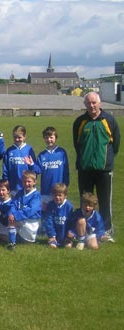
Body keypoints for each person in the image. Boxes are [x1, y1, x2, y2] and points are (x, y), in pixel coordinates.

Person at [73, 92, 120, 242]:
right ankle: (86, 229)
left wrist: (106, 160)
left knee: (105, 201)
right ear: (85, 105)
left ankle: (106, 232)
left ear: (100, 103)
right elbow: (77, 144)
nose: (91, 106)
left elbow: (116, 144)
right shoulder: (80, 122)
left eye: (94, 103)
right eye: (88, 103)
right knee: (85, 201)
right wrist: (84, 160)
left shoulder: (109, 120)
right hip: (85, 169)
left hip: (104, 169)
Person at [35, 127, 69, 212]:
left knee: (59, 213)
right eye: (46, 138)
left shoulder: (61, 152)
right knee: (46, 214)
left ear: (55, 138)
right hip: (46, 190)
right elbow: (38, 171)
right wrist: (32, 164)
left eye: (51, 137)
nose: (49, 140)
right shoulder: (42, 155)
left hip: (59, 190)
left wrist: (65, 185)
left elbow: (66, 171)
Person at [6, 170, 42, 249]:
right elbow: (13, 205)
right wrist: (11, 214)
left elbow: (31, 210)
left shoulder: (36, 195)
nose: (26, 184)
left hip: (31, 221)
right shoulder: (20, 193)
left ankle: (21, 237)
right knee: (11, 220)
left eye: (29, 181)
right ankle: (12, 243)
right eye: (24, 181)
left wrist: (15, 215)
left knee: (27, 243)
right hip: (20, 220)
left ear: (34, 182)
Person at [2, 125, 37, 195]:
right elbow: (5, 168)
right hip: (13, 185)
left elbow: (34, 169)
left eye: (19, 137)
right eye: (15, 137)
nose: (17, 139)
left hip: (26, 186)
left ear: (24, 137)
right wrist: (6, 180)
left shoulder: (29, 150)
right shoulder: (9, 150)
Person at [43, 183, 74, 249]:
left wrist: (71, 233)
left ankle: (67, 241)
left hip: (65, 234)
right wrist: (52, 235)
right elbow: (48, 221)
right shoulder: (50, 205)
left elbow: (72, 222)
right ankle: (53, 240)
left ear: (65, 196)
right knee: (52, 246)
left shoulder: (69, 206)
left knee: (68, 247)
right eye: (55, 195)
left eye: (60, 195)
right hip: (54, 235)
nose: (57, 197)